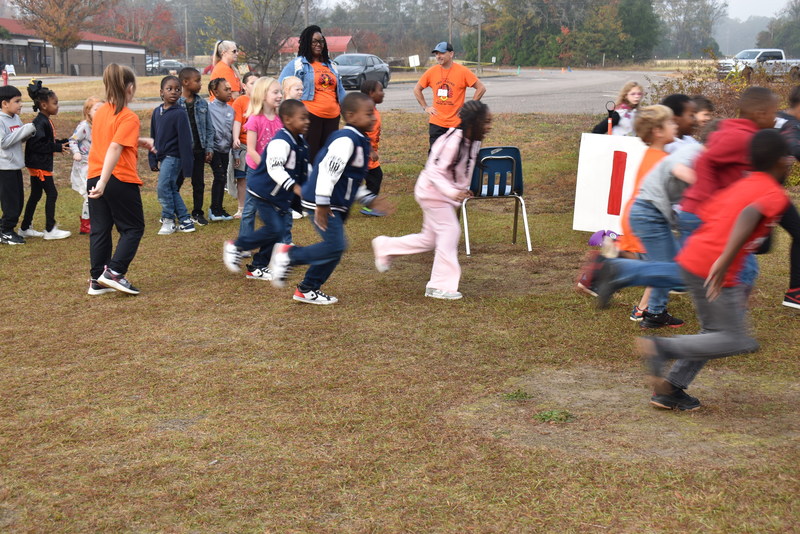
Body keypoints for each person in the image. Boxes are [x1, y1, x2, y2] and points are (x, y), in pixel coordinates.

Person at [602, 130, 791, 411]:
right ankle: (661, 348)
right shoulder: (773, 193)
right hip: (715, 268)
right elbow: (749, 214)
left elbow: (713, 214)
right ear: (782, 162)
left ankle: (671, 390)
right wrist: (726, 259)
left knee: (712, 333)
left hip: (696, 257)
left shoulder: (741, 184)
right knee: (737, 339)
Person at [267, 92, 384, 305]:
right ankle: (287, 256)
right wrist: (321, 203)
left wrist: (367, 198)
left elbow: (348, 179)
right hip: (322, 201)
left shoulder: (358, 139)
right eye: (368, 113)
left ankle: (307, 288)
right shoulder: (346, 140)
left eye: (374, 113)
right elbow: (328, 173)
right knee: (335, 245)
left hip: (333, 202)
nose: (374, 118)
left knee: (335, 248)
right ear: (351, 115)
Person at [372, 101, 492, 300]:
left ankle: (386, 246)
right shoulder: (451, 141)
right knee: (450, 231)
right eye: (486, 122)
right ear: (473, 123)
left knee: (430, 239)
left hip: (444, 196)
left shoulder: (474, 140)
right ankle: (439, 285)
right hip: (432, 193)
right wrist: (452, 192)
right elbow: (434, 172)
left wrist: (462, 190)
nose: (489, 127)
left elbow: (464, 167)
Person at [677, 86, 779, 290]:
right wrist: (709, 201)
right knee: (742, 271)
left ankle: (722, 314)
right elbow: (705, 160)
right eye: (773, 113)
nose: (776, 119)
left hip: (705, 213)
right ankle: (621, 269)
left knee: (701, 271)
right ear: (760, 114)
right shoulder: (742, 137)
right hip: (700, 213)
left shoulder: (740, 133)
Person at [86, 63, 154, 295]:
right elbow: (114, 147)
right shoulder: (129, 116)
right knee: (133, 227)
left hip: (94, 175)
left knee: (100, 229)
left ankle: (97, 280)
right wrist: (105, 182)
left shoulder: (102, 111)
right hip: (117, 178)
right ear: (130, 88)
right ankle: (114, 272)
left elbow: (110, 139)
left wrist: (138, 140)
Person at [222, 99, 310, 278]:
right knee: (274, 229)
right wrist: (294, 187)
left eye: (307, 117)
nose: (307, 121)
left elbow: (305, 167)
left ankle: (258, 266)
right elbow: (275, 168)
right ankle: (237, 247)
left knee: (278, 231)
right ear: (288, 119)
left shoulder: (300, 141)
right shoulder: (281, 142)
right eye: (302, 118)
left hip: (280, 196)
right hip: (264, 193)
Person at [613, 105, 681, 328]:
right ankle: (649, 311)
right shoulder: (661, 159)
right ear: (658, 131)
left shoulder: (653, 154)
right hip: (645, 221)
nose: (675, 125)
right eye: (671, 123)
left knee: (660, 264)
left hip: (638, 218)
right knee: (663, 266)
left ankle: (647, 310)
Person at [279, 25, 345, 160]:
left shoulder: (331, 65)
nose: (318, 44)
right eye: (314, 41)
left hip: (333, 118)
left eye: (321, 41)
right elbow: (281, 85)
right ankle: (309, 181)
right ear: (307, 43)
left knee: (328, 157)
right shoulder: (297, 64)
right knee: (310, 156)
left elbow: (340, 91)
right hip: (310, 116)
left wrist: (351, 109)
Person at [20, 80, 70, 240]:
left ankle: (25, 228)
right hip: (39, 165)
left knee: (35, 194)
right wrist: (56, 147)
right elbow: (36, 145)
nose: (57, 106)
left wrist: (62, 143)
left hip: (37, 164)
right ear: (43, 105)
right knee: (52, 193)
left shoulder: (44, 120)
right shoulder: (39, 122)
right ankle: (50, 230)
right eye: (55, 103)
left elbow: (47, 142)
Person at [413, 41, 486, 147]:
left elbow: (481, 88)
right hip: (436, 123)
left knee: (455, 157)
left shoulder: (462, 71)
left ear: (451, 54)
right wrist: (425, 107)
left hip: (457, 124)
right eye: (436, 54)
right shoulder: (431, 71)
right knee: (435, 156)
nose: (438, 56)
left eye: (441, 53)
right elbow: (417, 89)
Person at [149, 75, 195, 235]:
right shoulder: (157, 112)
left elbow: (185, 140)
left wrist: (188, 166)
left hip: (174, 158)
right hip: (162, 157)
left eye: (177, 89)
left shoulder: (180, 113)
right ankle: (185, 220)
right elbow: (153, 136)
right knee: (171, 188)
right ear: (162, 92)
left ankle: (168, 220)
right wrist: (152, 158)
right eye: (169, 89)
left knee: (162, 188)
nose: (174, 92)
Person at [177, 67, 214, 226]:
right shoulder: (175, 104)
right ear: (185, 82)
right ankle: (172, 211)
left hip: (199, 151)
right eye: (197, 80)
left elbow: (209, 128)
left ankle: (198, 212)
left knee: (198, 183)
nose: (200, 84)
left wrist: (209, 148)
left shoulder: (202, 103)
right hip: (181, 152)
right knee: (176, 182)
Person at [0, 85, 36, 245]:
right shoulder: (0, 120)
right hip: (4, 168)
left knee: (18, 201)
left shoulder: (15, 118)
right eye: (17, 101)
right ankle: (5, 232)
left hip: (15, 166)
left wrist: (28, 133)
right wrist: (25, 129)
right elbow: (4, 142)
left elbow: (17, 138)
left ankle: (6, 229)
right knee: (11, 203)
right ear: (4, 104)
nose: (21, 104)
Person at [776, 84, 800, 309]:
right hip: (764, 193)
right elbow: (795, 145)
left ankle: (795, 292)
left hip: (766, 192)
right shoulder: (791, 126)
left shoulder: (776, 116)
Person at [68, 97, 102, 235]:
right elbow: (73, 140)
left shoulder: (101, 125)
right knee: (90, 194)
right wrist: (76, 153)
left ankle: (97, 219)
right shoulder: (84, 127)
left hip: (97, 164)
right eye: (96, 109)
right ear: (88, 112)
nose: (100, 112)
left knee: (99, 192)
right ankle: (86, 224)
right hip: (84, 166)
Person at [231, 72, 260, 218]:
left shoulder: (263, 100)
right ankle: (241, 208)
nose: (255, 86)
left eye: (258, 83)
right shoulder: (241, 101)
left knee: (259, 177)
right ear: (244, 86)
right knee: (242, 178)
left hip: (259, 146)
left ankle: (261, 207)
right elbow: (237, 121)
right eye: (252, 83)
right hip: (243, 145)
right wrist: (235, 137)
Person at [207, 77, 235, 221]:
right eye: (226, 89)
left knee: (222, 177)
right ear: (215, 92)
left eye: (230, 89)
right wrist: (209, 148)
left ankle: (219, 208)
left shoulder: (231, 109)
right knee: (219, 176)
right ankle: (214, 210)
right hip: (214, 149)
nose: (230, 92)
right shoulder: (209, 109)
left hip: (226, 150)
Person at [359, 79, 386, 217]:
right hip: (363, 155)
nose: (383, 93)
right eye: (380, 90)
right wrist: (370, 150)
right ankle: (369, 206)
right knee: (375, 176)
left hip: (367, 155)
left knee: (373, 177)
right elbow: (360, 132)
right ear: (371, 93)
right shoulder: (366, 112)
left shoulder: (372, 109)